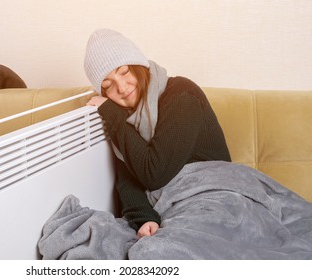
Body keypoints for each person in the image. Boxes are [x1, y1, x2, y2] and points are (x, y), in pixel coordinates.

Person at [84, 29, 231, 238]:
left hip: (215, 194)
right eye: (108, 86)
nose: (123, 88)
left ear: (139, 66)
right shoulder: (123, 117)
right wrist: (144, 218)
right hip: (170, 205)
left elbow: (155, 174)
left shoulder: (182, 94)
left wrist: (112, 114)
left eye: (125, 72)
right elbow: (127, 178)